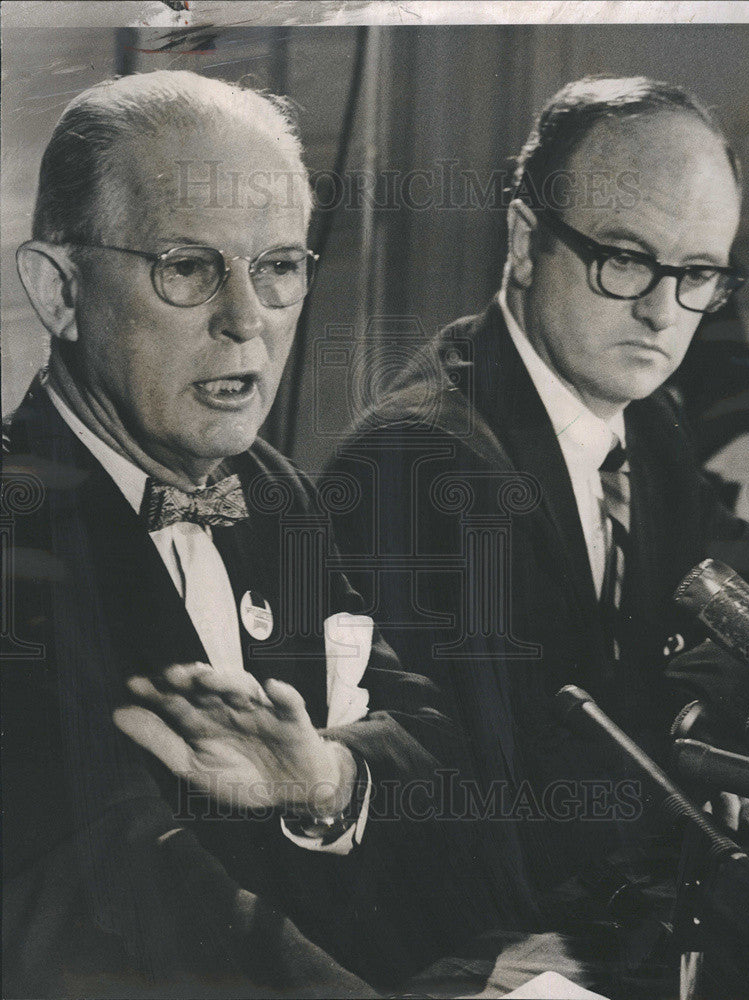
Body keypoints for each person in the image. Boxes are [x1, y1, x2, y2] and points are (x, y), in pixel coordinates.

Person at [1, 69, 467, 999]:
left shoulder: (274, 494)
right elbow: (102, 888)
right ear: (60, 291)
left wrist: (329, 779)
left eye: (279, 266)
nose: (247, 321)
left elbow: (429, 736)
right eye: (188, 265)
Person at [325, 76, 749, 933]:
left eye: (697, 274)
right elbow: (475, 801)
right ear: (526, 242)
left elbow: (730, 626)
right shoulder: (420, 465)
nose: (660, 309)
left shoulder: (649, 424)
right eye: (625, 259)